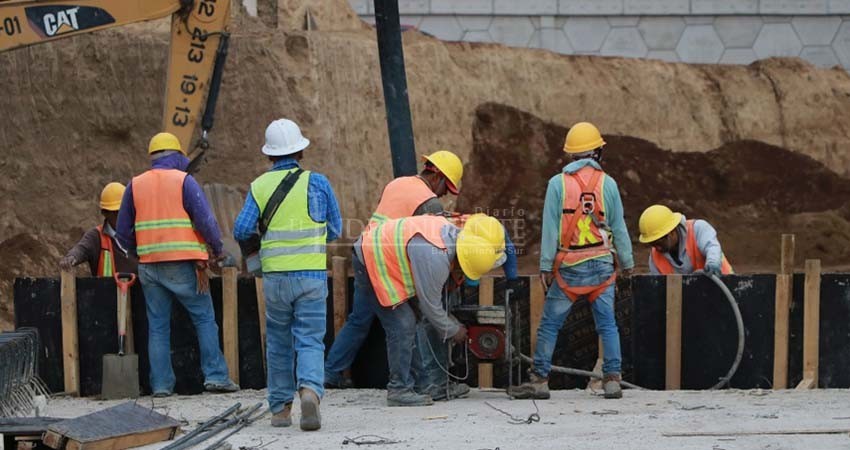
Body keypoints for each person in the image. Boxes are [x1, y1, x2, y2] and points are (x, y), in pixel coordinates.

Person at [510, 122, 634, 401]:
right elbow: (619, 227)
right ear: (596, 153)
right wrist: (627, 264)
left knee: (550, 325)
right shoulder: (608, 183)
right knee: (608, 325)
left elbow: (550, 229)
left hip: (570, 270)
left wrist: (544, 266)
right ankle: (612, 380)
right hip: (602, 266)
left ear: (571, 156)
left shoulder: (557, 184)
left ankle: (540, 381)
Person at [324, 150, 466, 390]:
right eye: (446, 188)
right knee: (410, 321)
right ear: (438, 177)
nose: (443, 194)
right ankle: (420, 383)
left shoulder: (398, 182)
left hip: (367, 251)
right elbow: (435, 234)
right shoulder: (429, 202)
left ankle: (331, 373)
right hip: (386, 264)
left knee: (359, 320)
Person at [233, 119, 342, 431]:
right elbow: (335, 230)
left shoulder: (259, 186)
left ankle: (280, 410)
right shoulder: (318, 183)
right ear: (300, 151)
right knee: (309, 339)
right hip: (311, 276)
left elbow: (241, 228)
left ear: (269, 155)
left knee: (279, 342)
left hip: (276, 279)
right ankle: (309, 391)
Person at [116, 132, 238, 398]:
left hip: (149, 266)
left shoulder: (135, 184)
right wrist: (217, 250)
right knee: (204, 319)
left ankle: (160, 385)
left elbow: (122, 233)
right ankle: (216, 376)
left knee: (158, 327)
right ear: (178, 157)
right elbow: (206, 222)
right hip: (184, 266)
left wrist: (139, 253)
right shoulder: (184, 181)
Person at [352, 214, 506, 407]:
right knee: (403, 324)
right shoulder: (436, 258)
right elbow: (430, 307)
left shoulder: (452, 237)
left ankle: (424, 385)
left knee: (412, 320)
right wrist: (454, 330)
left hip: (381, 254)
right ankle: (399, 389)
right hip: (371, 258)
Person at [60, 182, 137, 276]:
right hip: (106, 290)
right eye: (115, 212)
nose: (120, 217)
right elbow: (81, 249)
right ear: (105, 213)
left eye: (122, 211)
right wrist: (71, 257)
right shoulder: (96, 237)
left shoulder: (139, 234)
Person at [638, 204, 733, 275]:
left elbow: (712, 247)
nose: (657, 248)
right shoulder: (655, 257)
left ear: (672, 231)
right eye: (652, 244)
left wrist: (712, 263)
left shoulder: (698, 229)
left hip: (725, 286)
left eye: (660, 242)